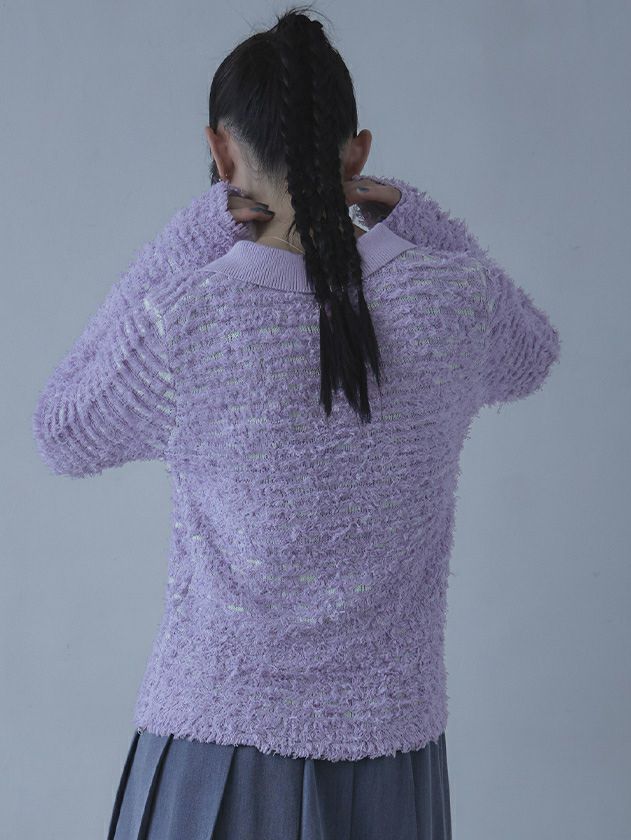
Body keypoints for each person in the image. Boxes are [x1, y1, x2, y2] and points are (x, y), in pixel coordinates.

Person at [31, 6, 561, 839]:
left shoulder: (190, 318)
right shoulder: (454, 298)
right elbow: (533, 354)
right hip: (392, 762)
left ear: (221, 152)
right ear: (357, 154)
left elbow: (62, 427)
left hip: (214, 749)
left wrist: (191, 232)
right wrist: (410, 217)